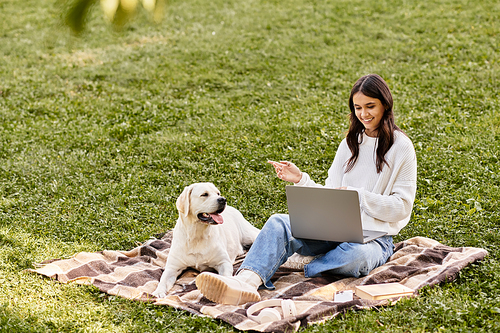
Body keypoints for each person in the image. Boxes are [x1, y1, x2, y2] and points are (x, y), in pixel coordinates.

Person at [195, 74, 417, 305]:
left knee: (357, 257)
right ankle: (243, 284)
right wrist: (301, 179)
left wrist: (359, 197)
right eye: (358, 108)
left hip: (374, 239)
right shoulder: (350, 144)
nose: (364, 114)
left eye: (370, 106)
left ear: (385, 104)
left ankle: (304, 261)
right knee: (278, 223)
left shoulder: (401, 147)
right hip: (334, 227)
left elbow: (401, 208)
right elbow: (331, 194)